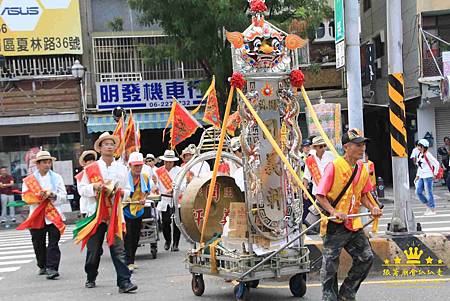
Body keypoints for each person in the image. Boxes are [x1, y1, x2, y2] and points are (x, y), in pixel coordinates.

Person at [315, 129, 382, 301]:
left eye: (363, 144)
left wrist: (372, 208)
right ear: (346, 147)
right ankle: (329, 297)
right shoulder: (335, 166)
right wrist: (334, 211)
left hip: (353, 223)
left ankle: (346, 293)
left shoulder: (362, 168)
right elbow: (320, 195)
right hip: (334, 224)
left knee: (366, 258)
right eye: (358, 145)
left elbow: (364, 196)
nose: (362, 148)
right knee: (330, 265)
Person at [77, 132, 137, 293]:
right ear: (100, 148)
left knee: (118, 248)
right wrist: (94, 188)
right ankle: (91, 275)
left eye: (112, 144)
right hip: (95, 213)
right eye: (106, 144)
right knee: (94, 250)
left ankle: (124, 282)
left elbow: (128, 190)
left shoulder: (122, 168)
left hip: (114, 214)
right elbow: (81, 190)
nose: (109, 146)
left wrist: (119, 191)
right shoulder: (91, 168)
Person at [17, 151, 67, 280]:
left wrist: (53, 195)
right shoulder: (29, 180)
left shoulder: (57, 178)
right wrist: (38, 196)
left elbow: (63, 196)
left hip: (53, 214)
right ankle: (42, 265)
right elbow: (25, 197)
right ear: (37, 164)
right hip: (36, 215)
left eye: (49, 162)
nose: (47, 164)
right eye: (44, 162)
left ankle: (52, 268)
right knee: (38, 243)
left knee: (53, 243)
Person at [124, 152, 149, 272]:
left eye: (140, 166)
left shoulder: (144, 177)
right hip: (126, 210)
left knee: (135, 237)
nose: (138, 168)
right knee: (127, 237)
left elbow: (147, 191)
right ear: (130, 165)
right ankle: (127, 261)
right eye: (135, 166)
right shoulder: (124, 177)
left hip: (138, 210)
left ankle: (132, 260)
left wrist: (144, 198)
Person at [154, 150, 182, 252]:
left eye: (170, 161)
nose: (168, 163)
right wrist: (154, 186)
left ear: (173, 162)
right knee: (165, 222)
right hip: (164, 200)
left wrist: (174, 189)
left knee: (177, 223)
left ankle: (175, 244)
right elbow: (155, 186)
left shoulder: (179, 170)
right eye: (166, 161)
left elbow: (182, 184)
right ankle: (168, 240)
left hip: (176, 200)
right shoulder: (158, 172)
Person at [302, 136, 335, 223]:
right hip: (318, 192)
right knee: (317, 217)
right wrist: (305, 190)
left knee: (331, 216)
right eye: (320, 146)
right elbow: (306, 176)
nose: (323, 148)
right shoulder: (310, 160)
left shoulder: (331, 155)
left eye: (324, 146)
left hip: (332, 191)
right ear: (315, 147)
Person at [415, 139, 440, 215]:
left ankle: (432, 209)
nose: (417, 147)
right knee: (418, 192)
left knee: (428, 193)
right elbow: (420, 166)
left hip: (428, 176)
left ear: (423, 147)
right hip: (422, 177)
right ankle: (428, 206)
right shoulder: (419, 154)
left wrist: (435, 174)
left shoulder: (427, 154)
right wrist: (417, 176)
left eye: (419, 145)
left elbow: (436, 164)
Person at [76, 150, 97, 218]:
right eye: (89, 161)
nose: (92, 163)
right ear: (84, 162)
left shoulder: (98, 173)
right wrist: (93, 187)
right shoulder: (81, 175)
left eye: (93, 160)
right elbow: (81, 191)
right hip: (87, 207)